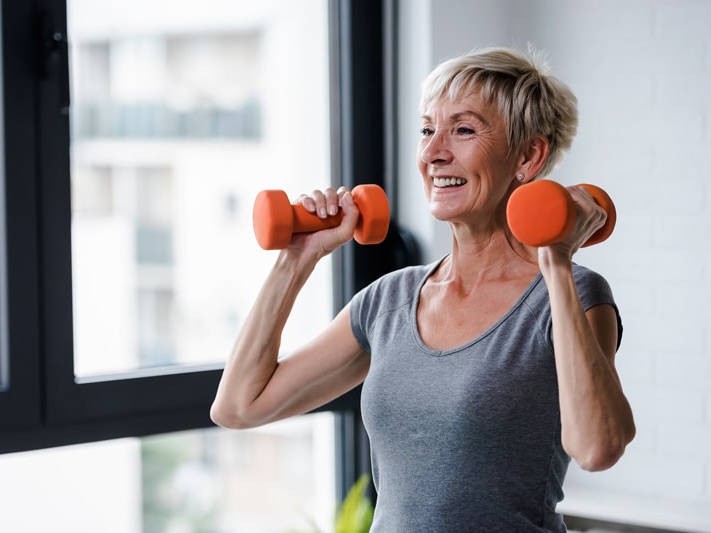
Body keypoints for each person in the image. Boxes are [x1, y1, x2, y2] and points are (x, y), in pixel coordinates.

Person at [210, 46, 636, 532]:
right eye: (428, 129)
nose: (434, 153)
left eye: (464, 129)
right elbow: (238, 407)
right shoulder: (388, 301)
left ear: (528, 156)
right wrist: (296, 260)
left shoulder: (573, 295)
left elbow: (598, 448)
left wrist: (555, 260)